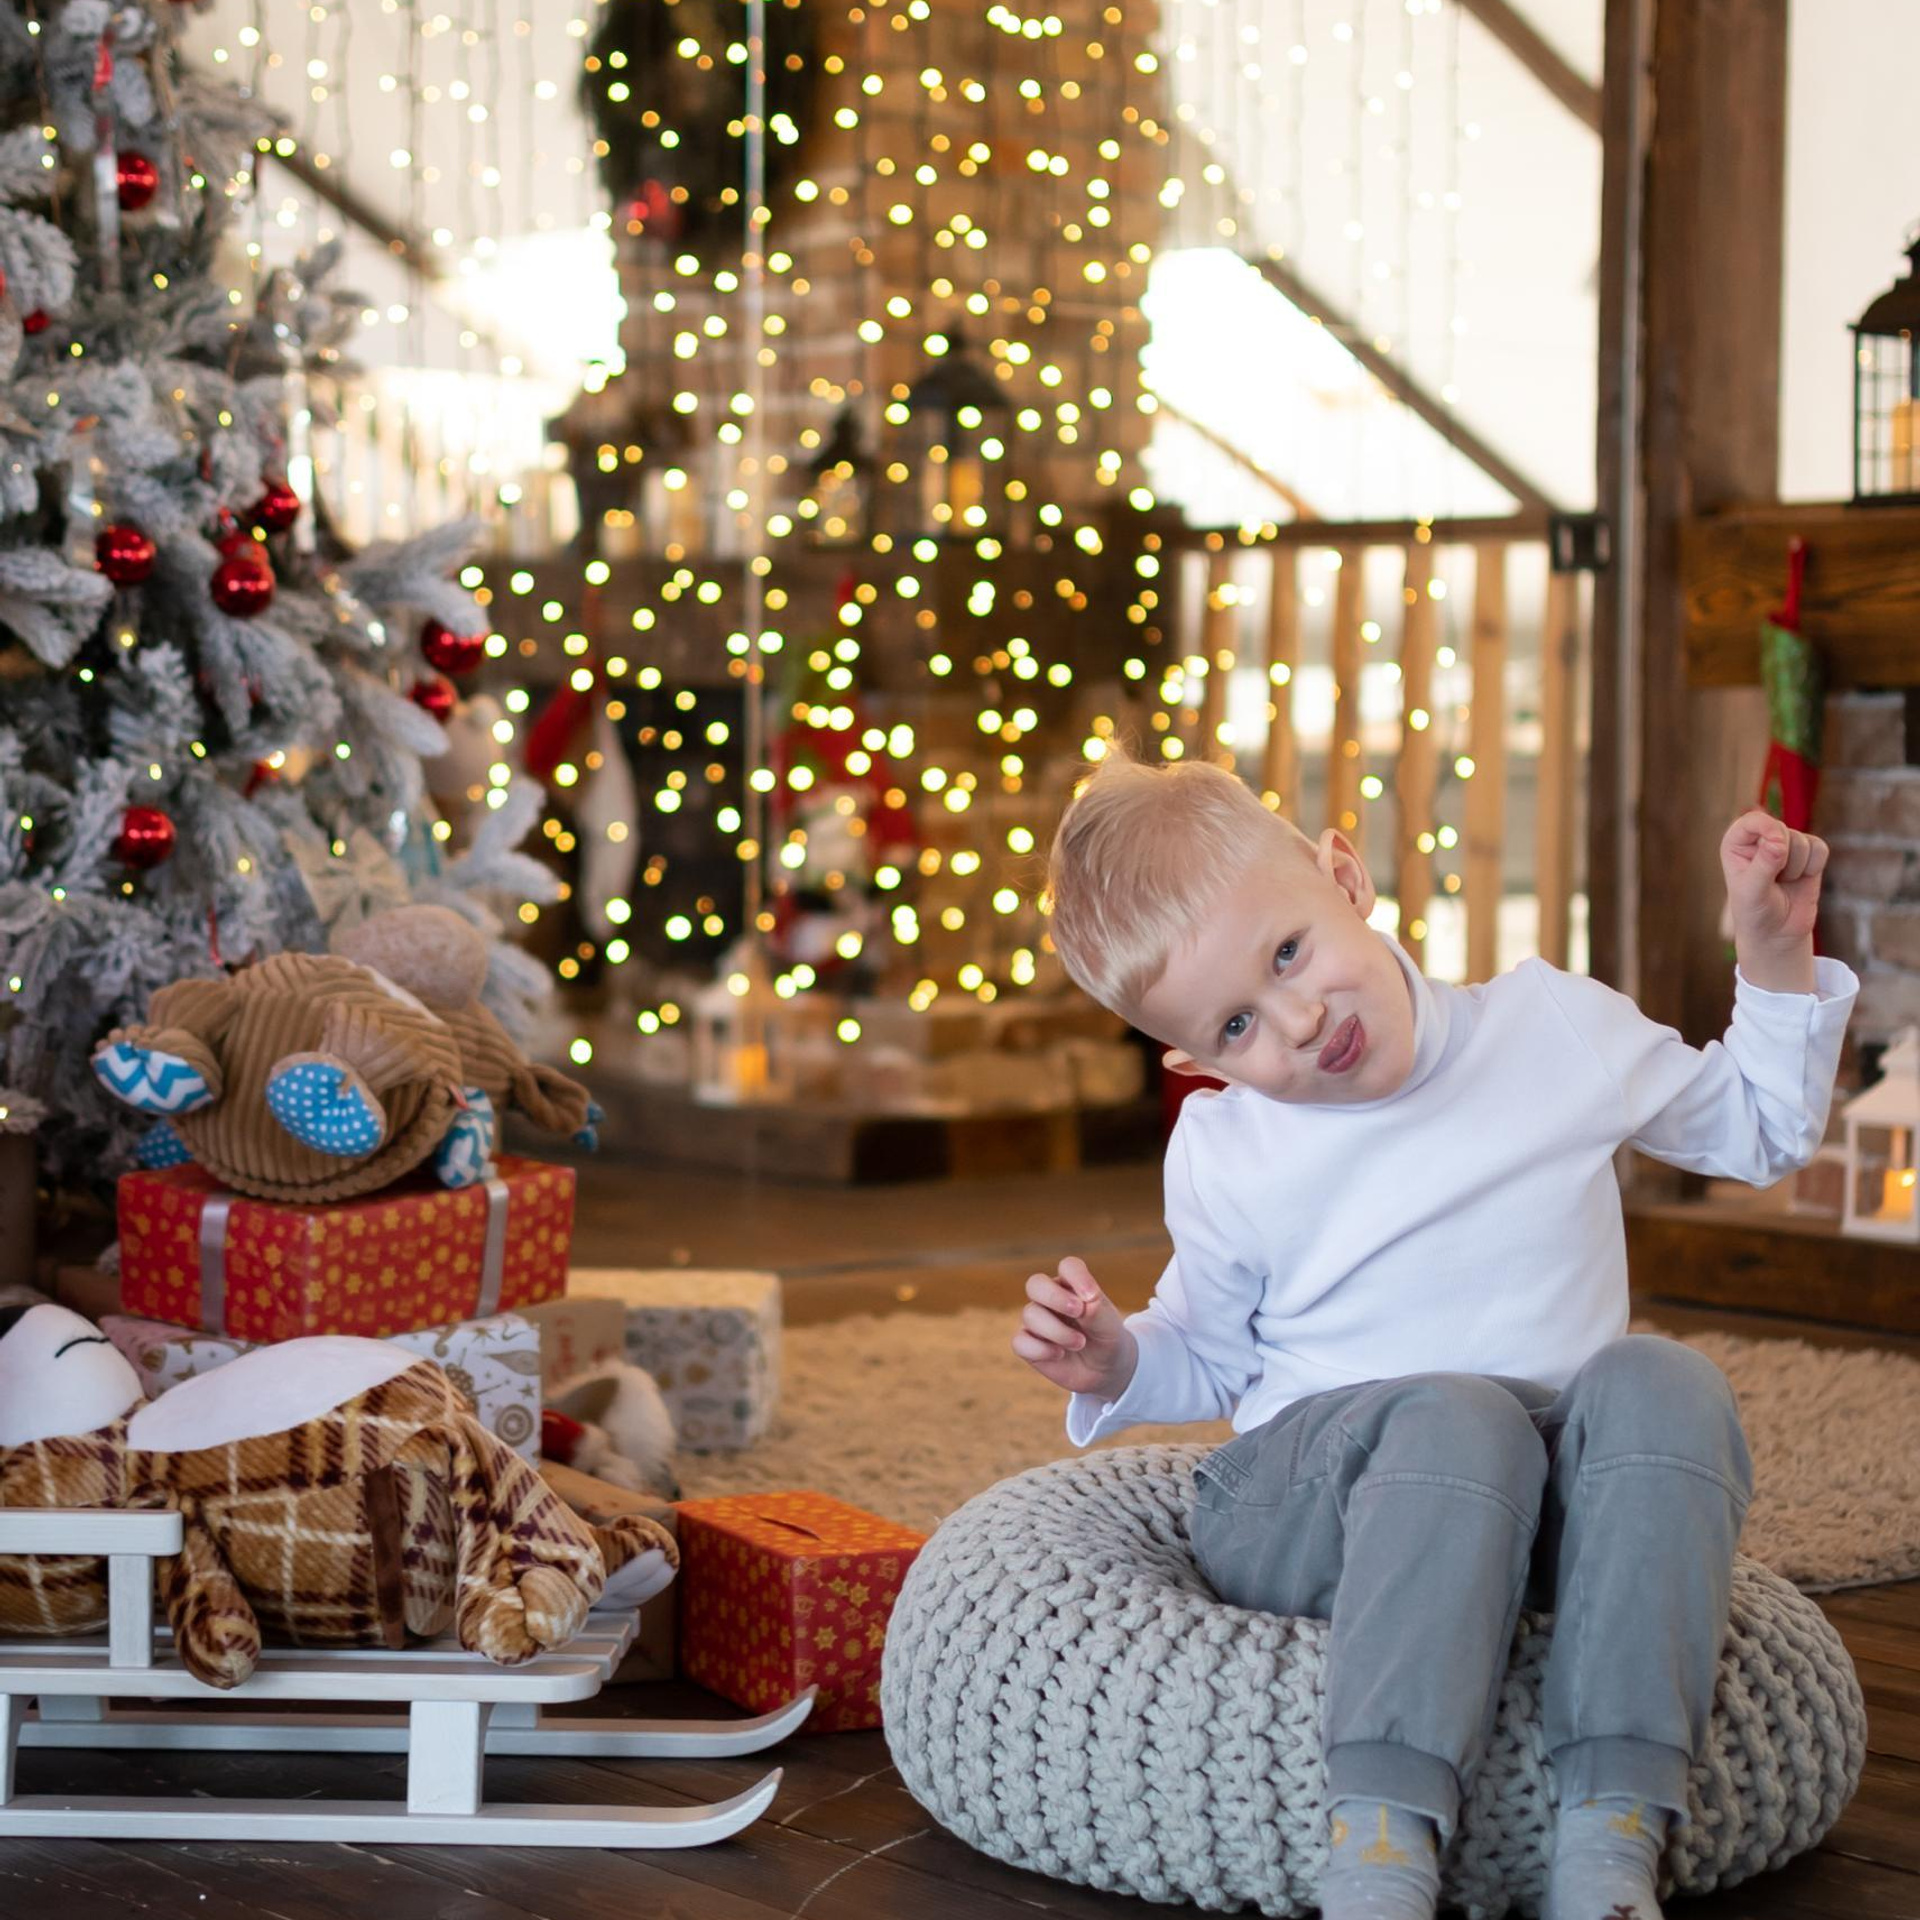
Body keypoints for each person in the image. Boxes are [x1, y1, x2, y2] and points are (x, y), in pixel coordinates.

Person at [1013, 746, 1856, 1920]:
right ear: (1195, 1062)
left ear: (1345, 879)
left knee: (1663, 1381)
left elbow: (1758, 1133)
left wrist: (1772, 958)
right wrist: (1114, 1359)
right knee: (1459, 1414)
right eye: (1241, 1024)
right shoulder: (1230, 1148)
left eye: (1291, 953)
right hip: (1319, 1502)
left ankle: (1613, 1831)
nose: (1300, 1022)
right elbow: (1211, 1350)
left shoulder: (1552, 1029)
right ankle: (1381, 1851)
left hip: (1539, 1503)